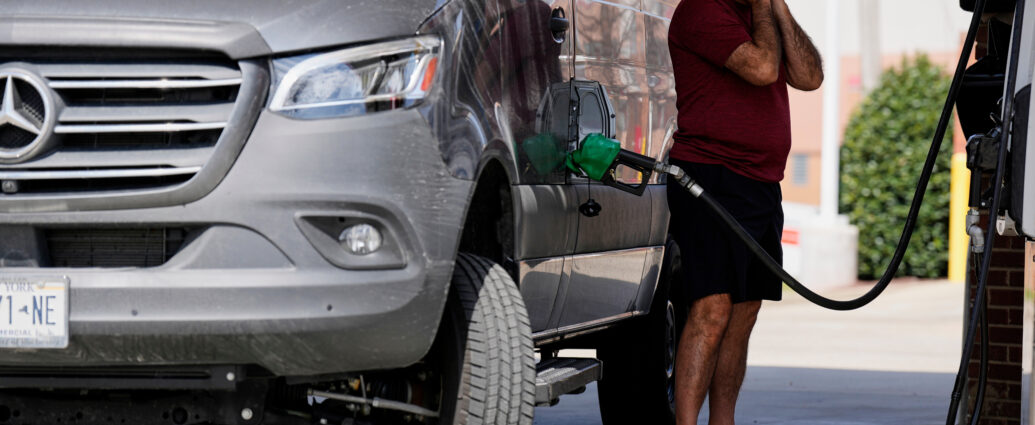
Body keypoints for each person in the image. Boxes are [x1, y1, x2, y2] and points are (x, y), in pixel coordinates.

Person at [666, 0, 824, 424]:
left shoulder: (764, 17)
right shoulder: (702, 10)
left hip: (761, 184)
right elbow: (763, 68)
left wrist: (778, 8)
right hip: (709, 177)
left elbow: (810, 77)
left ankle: (724, 420)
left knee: (744, 312)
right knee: (712, 309)